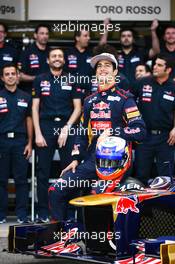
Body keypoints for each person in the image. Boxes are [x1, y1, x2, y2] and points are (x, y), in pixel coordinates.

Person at [48, 52, 146, 222]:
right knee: (56, 190)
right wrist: (76, 158)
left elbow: (140, 131)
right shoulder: (89, 101)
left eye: (107, 65)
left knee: (97, 197)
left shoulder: (126, 99)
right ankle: (60, 237)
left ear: (115, 72)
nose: (102, 69)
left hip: (116, 162)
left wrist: (113, 132)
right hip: (91, 161)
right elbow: (82, 133)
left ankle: (103, 242)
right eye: (99, 66)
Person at [32, 48, 82, 222]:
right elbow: (35, 108)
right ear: (48, 60)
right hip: (45, 127)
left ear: (64, 60)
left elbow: (78, 107)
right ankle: (43, 213)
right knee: (43, 173)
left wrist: (67, 127)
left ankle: (68, 213)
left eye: (60, 56)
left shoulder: (72, 79)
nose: (57, 58)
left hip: (67, 127)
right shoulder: (39, 79)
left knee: (69, 171)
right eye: (54, 56)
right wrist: (37, 133)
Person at [132, 54, 175, 185]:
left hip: (166, 138)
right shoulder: (142, 82)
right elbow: (128, 101)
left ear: (168, 70)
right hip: (144, 136)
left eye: (159, 65)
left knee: (166, 177)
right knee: (141, 175)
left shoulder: (173, 87)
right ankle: (141, 205)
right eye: (155, 64)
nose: (155, 67)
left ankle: (163, 206)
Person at [0, 64, 32, 224]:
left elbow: (29, 120)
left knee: (21, 180)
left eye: (13, 73)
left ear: (18, 76)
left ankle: (21, 214)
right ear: (2, 78)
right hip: (2, 142)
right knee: (1, 180)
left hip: (21, 142)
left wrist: (30, 143)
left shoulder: (26, 97)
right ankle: (0, 214)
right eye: (7, 74)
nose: (11, 76)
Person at [100, 19, 160, 85]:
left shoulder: (140, 53)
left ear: (133, 39)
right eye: (123, 36)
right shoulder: (115, 54)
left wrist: (153, 31)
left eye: (129, 36)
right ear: (120, 39)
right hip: (118, 90)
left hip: (137, 89)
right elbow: (101, 49)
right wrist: (106, 29)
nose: (126, 38)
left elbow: (156, 51)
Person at [19, 24, 50, 94]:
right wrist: (37, 78)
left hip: (48, 93)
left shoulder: (51, 53)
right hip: (29, 92)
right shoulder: (26, 52)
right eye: (42, 33)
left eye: (47, 34)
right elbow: (20, 76)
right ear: (35, 35)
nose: (45, 36)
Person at [64, 29, 93, 100]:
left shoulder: (92, 53)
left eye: (89, 36)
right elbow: (63, 73)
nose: (88, 38)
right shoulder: (67, 53)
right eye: (85, 36)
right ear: (77, 38)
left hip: (89, 93)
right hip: (71, 93)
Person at [0, 23, 19, 89]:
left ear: (5, 34)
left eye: (1, 32)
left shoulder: (12, 50)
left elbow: (17, 68)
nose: (0, 34)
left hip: (8, 88)